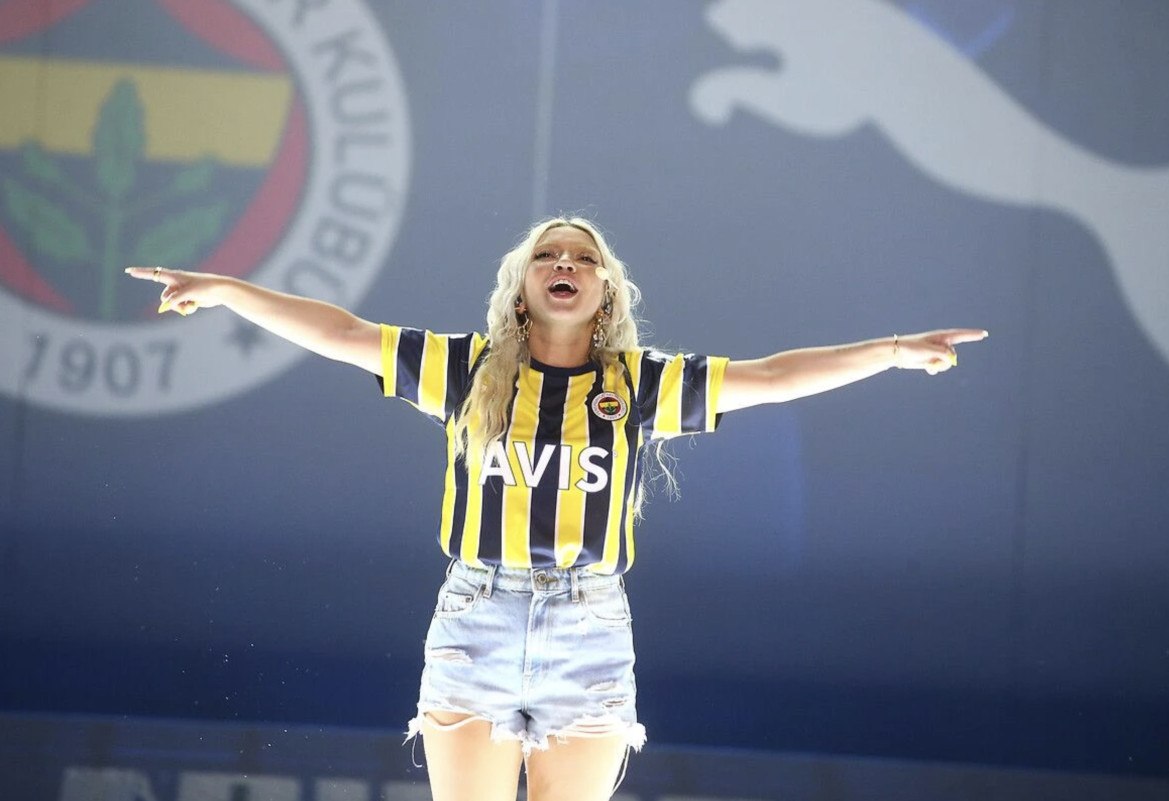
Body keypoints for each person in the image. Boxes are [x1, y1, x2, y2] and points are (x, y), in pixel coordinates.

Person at [126, 217, 986, 801]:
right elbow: (345, 333)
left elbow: (771, 377)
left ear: (605, 291)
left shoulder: (637, 383)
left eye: (581, 258)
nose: (565, 264)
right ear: (521, 288)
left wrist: (891, 351)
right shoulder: (466, 370)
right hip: (476, 615)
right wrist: (230, 291)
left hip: (589, 625)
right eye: (548, 256)